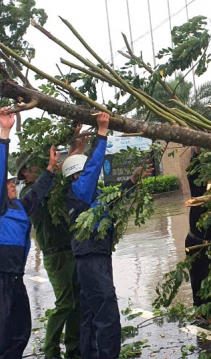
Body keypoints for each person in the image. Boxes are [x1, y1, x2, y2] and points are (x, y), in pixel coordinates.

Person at [64, 112, 152, 359]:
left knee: (91, 314)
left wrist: (133, 180)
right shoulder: (78, 191)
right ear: (76, 175)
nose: (93, 177)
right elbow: (93, 168)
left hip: (95, 257)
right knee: (107, 315)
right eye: (86, 173)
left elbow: (112, 201)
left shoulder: (88, 198)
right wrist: (101, 133)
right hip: (91, 259)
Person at [0, 108, 59, 359]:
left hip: (14, 279)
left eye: (13, 182)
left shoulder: (19, 207)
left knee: (19, 336)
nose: (13, 183)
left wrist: (51, 168)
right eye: (8, 182)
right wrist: (5, 133)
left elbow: (36, 193)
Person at [16, 129, 88, 359]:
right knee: (65, 304)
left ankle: (74, 350)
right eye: (34, 166)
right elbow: (48, 187)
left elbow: (62, 181)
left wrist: (75, 153)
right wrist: (66, 159)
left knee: (77, 303)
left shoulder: (48, 186)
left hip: (70, 251)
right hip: (55, 256)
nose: (39, 167)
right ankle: (51, 351)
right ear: (25, 173)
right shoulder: (30, 193)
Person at [184, 147, 211, 320]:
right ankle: (202, 310)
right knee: (199, 275)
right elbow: (194, 169)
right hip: (198, 239)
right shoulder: (197, 181)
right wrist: (198, 151)